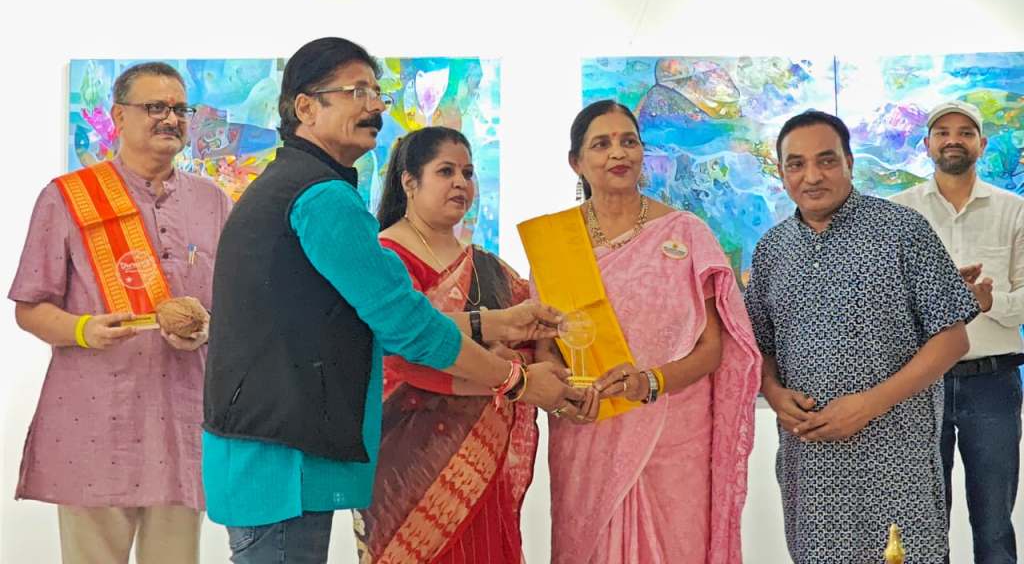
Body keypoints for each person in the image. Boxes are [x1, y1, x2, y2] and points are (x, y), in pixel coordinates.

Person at [202, 37, 583, 564]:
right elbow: (407, 330)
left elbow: (386, 320)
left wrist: (500, 323)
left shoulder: (290, 185)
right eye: (356, 91)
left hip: (269, 452)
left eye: (377, 93)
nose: (375, 106)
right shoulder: (323, 199)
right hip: (288, 459)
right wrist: (517, 382)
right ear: (306, 108)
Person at [10, 62, 232, 564]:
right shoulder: (67, 197)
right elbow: (30, 306)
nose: (170, 119)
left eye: (179, 109)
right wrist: (83, 329)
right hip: (95, 421)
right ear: (118, 116)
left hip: (181, 419)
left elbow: (237, 309)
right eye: (155, 107)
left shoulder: (212, 202)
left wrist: (205, 329)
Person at [531, 99, 761, 564]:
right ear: (577, 161)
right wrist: (564, 396)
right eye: (601, 144)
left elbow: (712, 347)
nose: (618, 153)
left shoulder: (686, 232)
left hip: (672, 435)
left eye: (628, 141)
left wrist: (649, 382)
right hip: (588, 431)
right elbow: (544, 345)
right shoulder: (555, 243)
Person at [746, 109, 979, 564]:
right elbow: (760, 348)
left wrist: (867, 405)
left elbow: (953, 339)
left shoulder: (902, 231)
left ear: (850, 162)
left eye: (827, 160)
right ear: (781, 172)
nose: (812, 176)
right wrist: (773, 392)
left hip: (895, 454)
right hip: (810, 463)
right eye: (796, 164)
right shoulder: (772, 249)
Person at [354, 126, 552, 563]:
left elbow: (531, 334)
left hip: (483, 460)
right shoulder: (386, 257)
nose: (461, 183)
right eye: (446, 171)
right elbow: (398, 353)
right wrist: (499, 373)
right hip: (408, 462)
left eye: (468, 172)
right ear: (409, 181)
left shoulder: (486, 265)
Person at [893, 100, 1024, 564]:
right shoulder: (897, 213)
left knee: (993, 527)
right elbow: (887, 305)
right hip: (919, 385)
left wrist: (992, 302)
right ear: (926, 144)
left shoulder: (1014, 210)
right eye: (942, 132)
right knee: (924, 523)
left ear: (982, 145)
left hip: (994, 385)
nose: (953, 139)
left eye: (965, 132)